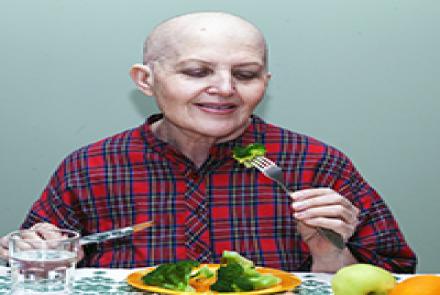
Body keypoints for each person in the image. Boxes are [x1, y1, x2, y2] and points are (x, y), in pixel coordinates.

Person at [0, 12, 416, 273]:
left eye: (246, 74)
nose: (224, 88)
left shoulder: (316, 162)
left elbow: (395, 278)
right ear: (145, 80)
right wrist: (33, 256)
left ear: (265, 85)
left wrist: (328, 253)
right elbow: (32, 265)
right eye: (197, 71)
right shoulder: (89, 166)